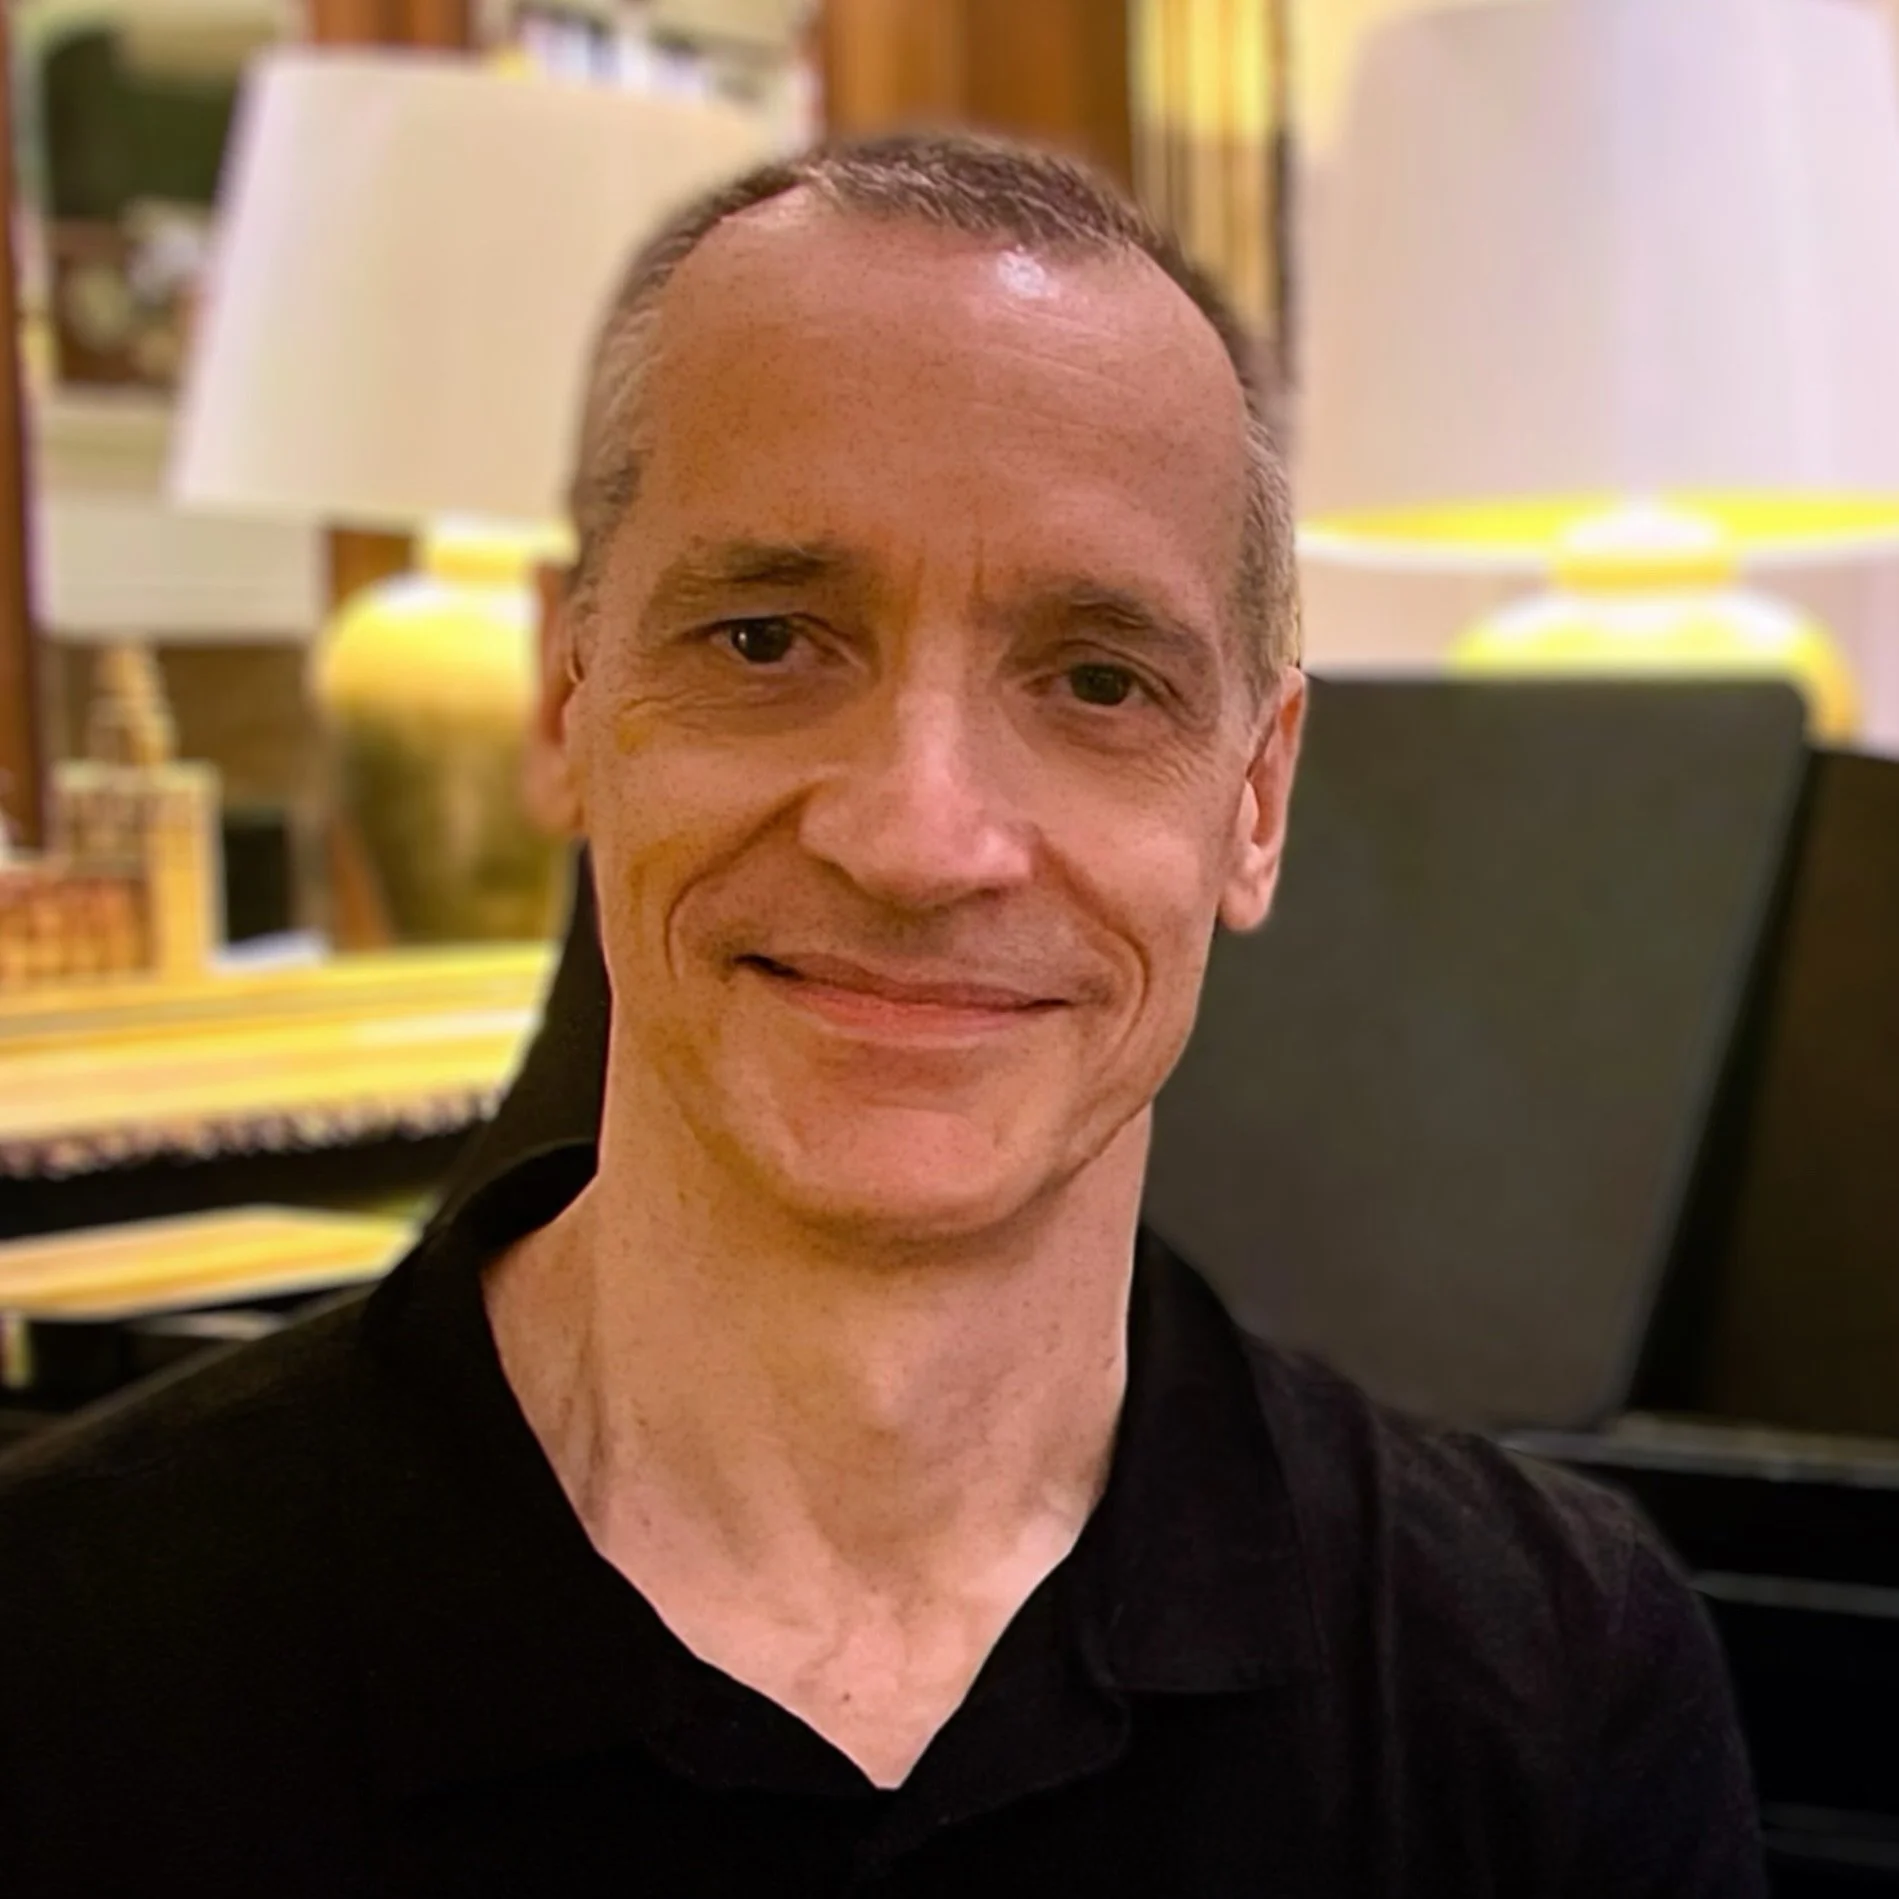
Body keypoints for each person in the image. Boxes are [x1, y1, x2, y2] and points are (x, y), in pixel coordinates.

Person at [0, 133, 1762, 1896]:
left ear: (1255, 797)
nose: (922, 838)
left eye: (1096, 679)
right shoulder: (67, 1652)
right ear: (565, 696)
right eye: (769, 640)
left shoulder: (1548, 1681)